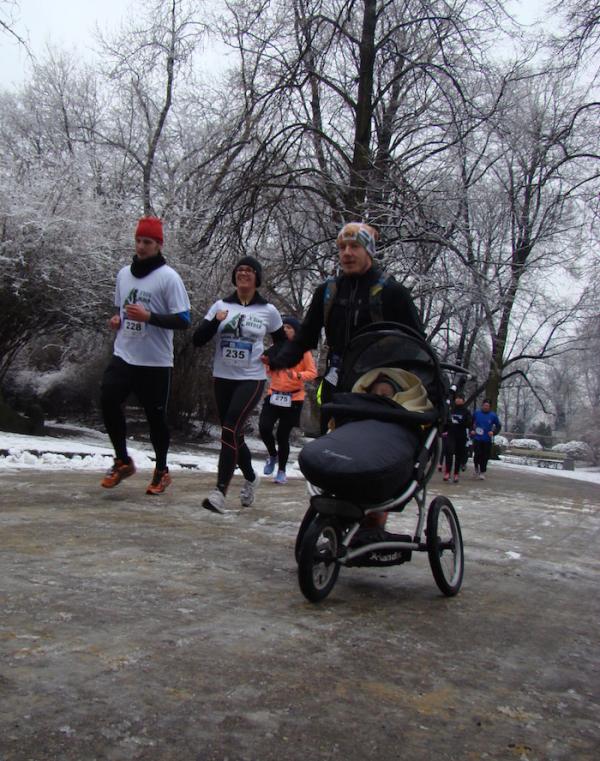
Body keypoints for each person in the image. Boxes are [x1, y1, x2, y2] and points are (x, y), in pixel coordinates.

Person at [266, 221, 425, 432]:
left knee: (364, 441)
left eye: (355, 246)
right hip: (337, 382)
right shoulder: (327, 292)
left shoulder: (393, 292)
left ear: (369, 251)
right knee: (332, 441)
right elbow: (305, 337)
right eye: (342, 247)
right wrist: (278, 360)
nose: (347, 253)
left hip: (377, 385)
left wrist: (400, 382)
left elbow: (416, 343)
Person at [100, 216, 191, 494]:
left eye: (147, 242)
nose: (141, 246)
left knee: (155, 419)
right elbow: (121, 309)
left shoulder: (169, 278)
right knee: (107, 400)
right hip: (125, 354)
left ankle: (161, 470)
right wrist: (117, 320)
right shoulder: (123, 274)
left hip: (154, 362)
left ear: (159, 245)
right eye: (138, 241)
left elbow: (184, 320)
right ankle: (122, 461)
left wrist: (149, 317)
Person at [193, 256, 286, 513]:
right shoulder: (221, 305)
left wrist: (272, 356)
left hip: (251, 378)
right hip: (223, 378)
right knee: (233, 434)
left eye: (249, 270)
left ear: (257, 277)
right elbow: (197, 340)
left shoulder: (268, 310)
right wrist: (215, 320)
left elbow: (283, 343)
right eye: (239, 270)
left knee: (230, 429)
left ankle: (219, 493)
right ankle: (252, 478)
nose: (243, 273)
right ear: (235, 276)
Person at [259, 316, 317, 484]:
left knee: (282, 435)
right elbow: (270, 371)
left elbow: (312, 372)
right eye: (283, 327)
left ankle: (282, 471)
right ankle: (272, 455)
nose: (285, 330)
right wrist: (266, 363)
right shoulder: (276, 348)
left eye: (289, 327)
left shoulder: (303, 351)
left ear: (296, 331)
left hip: (294, 398)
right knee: (264, 427)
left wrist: (297, 375)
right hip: (274, 394)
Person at [442, 392, 472, 483]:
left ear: (463, 400)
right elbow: (445, 420)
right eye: (457, 398)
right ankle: (447, 472)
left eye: (460, 398)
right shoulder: (451, 410)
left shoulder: (466, 411)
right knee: (449, 453)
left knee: (458, 455)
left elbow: (469, 423)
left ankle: (456, 474)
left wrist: (462, 422)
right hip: (451, 434)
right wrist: (444, 429)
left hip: (461, 435)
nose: (458, 400)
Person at [470, 398, 501, 480]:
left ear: (490, 407)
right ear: (482, 405)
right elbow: (470, 423)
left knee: (485, 456)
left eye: (487, 406)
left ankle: (482, 472)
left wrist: (493, 432)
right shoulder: (477, 413)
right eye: (484, 405)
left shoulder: (493, 415)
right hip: (477, 438)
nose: (486, 407)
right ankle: (476, 469)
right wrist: (472, 430)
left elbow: (498, 426)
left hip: (487, 439)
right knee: (477, 454)